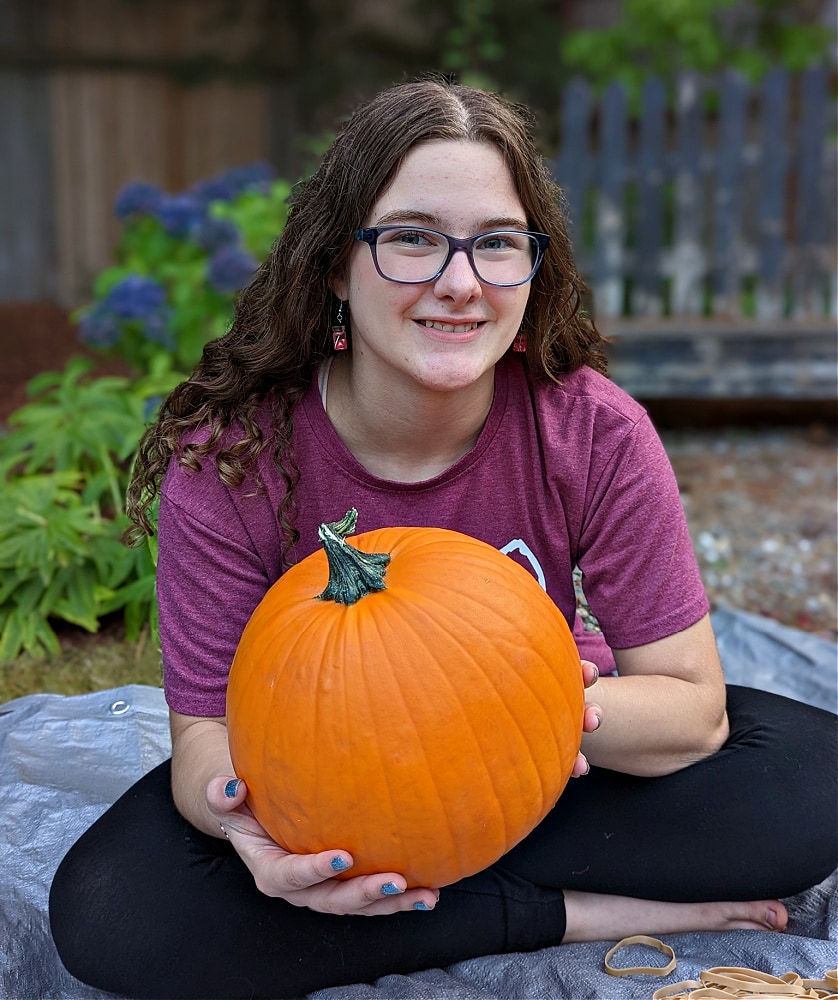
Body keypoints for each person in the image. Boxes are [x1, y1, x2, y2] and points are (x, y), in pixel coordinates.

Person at [49, 78, 836, 1000]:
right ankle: (572, 911)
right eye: (413, 238)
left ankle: (443, 908)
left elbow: (692, 712)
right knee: (113, 914)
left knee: (812, 784)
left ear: (531, 271)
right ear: (336, 265)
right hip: (334, 809)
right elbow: (204, 748)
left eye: (497, 244)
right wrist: (253, 843)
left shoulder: (591, 432)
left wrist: (516, 717)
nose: (460, 282)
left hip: (552, 771)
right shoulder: (231, 462)